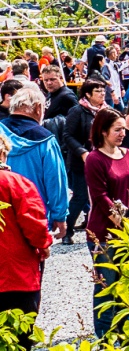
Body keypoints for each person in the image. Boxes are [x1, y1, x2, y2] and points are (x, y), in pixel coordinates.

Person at [84, 108, 129, 338]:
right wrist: (121, 221)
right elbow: (100, 196)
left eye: (123, 130)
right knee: (106, 286)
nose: (122, 134)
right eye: (117, 130)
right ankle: (105, 336)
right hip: (104, 233)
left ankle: (125, 332)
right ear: (103, 132)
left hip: (128, 230)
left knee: (126, 284)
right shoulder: (94, 159)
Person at [0, 132, 52, 351]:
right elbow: (35, 226)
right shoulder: (16, 184)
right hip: (16, 276)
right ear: (3, 152)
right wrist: (45, 245)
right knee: (18, 340)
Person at [0, 87, 68, 239]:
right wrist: (60, 216)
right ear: (38, 108)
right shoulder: (45, 140)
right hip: (34, 214)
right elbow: (55, 181)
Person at [62, 80, 108, 245]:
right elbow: (68, 136)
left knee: (104, 195)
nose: (102, 93)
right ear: (88, 94)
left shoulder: (107, 111)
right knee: (80, 196)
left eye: (103, 90)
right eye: (98, 91)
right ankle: (67, 231)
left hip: (105, 159)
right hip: (82, 160)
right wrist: (82, 152)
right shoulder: (77, 111)